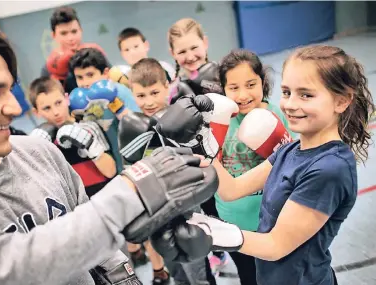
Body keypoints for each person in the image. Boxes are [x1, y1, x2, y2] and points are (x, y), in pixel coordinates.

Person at [0, 13, 220, 285]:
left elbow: (102, 254)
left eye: (10, 89)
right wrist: (134, 189)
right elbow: (15, 269)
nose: (15, 108)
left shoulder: (39, 153)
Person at [154, 44, 375, 285]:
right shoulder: (291, 150)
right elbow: (231, 191)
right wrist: (202, 144)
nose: (289, 104)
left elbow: (276, 245)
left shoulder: (329, 168)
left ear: (341, 101)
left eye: (306, 94)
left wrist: (213, 233)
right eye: (287, 92)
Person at [119, 58, 217, 285]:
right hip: (156, 208)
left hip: (186, 203)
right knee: (176, 271)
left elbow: (203, 158)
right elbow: (130, 170)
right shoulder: (132, 125)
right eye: (141, 95)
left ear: (166, 87)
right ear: (132, 94)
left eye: (154, 92)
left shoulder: (182, 116)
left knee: (197, 272)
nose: (149, 101)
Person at [212, 49, 295, 285]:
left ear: (262, 82)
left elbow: (294, 169)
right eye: (234, 87)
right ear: (223, 89)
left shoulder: (277, 115)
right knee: (249, 277)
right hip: (235, 222)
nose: (243, 94)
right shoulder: (219, 121)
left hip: (274, 221)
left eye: (250, 84)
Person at [166, 17, 228, 273]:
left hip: (229, 154)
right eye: (182, 51)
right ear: (172, 53)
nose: (190, 55)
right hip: (200, 160)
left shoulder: (222, 74)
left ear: (205, 42)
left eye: (194, 47)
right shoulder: (175, 85)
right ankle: (220, 249)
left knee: (231, 204)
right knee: (210, 206)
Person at [28, 76, 116, 198]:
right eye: (46, 108)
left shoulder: (89, 127)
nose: (56, 112)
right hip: (75, 209)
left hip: (105, 198)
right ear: (36, 112)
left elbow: (111, 171)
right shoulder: (40, 141)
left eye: (58, 103)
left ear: (67, 99)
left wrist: (89, 144)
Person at [68, 47, 141, 174]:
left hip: (135, 164)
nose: (85, 83)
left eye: (90, 75)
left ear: (105, 73)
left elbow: (140, 126)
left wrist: (118, 107)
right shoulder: (80, 100)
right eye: (79, 77)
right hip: (110, 168)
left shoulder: (119, 92)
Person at [41, 6, 105, 94]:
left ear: (81, 30)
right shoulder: (49, 68)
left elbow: (114, 81)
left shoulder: (95, 54)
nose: (70, 38)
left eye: (74, 31)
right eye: (64, 33)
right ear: (54, 35)